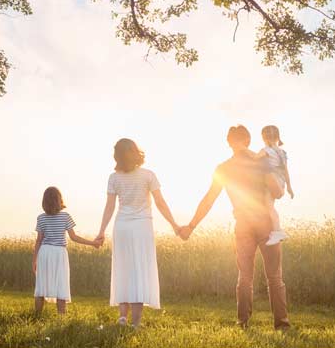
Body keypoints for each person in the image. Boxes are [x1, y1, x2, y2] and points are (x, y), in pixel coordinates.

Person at [179, 125, 290, 330]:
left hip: (243, 224)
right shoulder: (262, 161)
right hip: (267, 223)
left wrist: (191, 226)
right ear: (248, 140)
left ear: (229, 142)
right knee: (274, 276)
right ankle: (282, 324)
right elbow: (277, 191)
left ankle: (242, 322)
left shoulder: (223, 168)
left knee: (245, 276)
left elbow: (209, 200)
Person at [95, 138, 179, 327]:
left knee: (124, 270)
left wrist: (101, 231)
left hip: (122, 227)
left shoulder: (113, 177)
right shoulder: (148, 175)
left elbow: (109, 207)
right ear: (135, 152)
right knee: (139, 271)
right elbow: (160, 203)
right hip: (142, 227)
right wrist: (174, 224)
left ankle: (123, 317)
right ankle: (135, 322)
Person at [33, 186, 101, 315]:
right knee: (61, 285)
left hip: (44, 252)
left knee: (41, 286)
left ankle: (37, 316)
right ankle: (61, 318)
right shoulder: (65, 216)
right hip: (59, 253)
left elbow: (38, 240)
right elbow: (74, 237)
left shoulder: (41, 218)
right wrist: (93, 243)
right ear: (59, 200)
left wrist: (34, 260)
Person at [254, 125, 294, 246]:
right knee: (270, 207)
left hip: (271, 181)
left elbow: (254, 159)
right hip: (280, 182)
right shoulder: (282, 152)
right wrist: (289, 188)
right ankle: (276, 231)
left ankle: (277, 231)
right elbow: (286, 171)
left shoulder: (265, 150)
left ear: (263, 138)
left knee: (269, 207)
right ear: (277, 137)